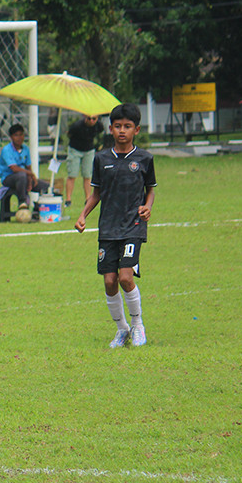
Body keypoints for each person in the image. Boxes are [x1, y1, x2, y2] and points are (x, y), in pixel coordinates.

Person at [74, 103, 156, 348]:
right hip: (108, 228)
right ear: (110, 128)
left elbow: (150, 189)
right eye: (118, 126)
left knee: (124, 277)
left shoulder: (144, 159)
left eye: (127, 126)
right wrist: (83, 214)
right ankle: (122, 330)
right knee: (109, 281)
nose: (122, 131)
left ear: (136, 130)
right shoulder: (101, 159)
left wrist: (148, 206)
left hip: (133, 225)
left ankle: (138, 325)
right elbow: (96, 193)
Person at [0, 123, 49, 222]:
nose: (19, 138)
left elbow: (28, 167)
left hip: (24, 177)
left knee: (45, 186)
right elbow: (14, 168)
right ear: (11, 137)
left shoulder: (25, 149)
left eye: (21, 135)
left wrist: (30, 180)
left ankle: (37, 210)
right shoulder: (7, 150)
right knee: (21, 176)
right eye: (16, 135)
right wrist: (30, 174)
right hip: (9, 178)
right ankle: (22, 202)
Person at [64, 114, 104, 209]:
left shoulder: (99, 125)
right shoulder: (77, 126)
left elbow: (100, 134)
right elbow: (69, 134)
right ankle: (68, 199)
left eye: (94, 119)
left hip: (89, 150)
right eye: (89, 118)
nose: (91, 121)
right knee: (72, 174)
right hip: (75, 149)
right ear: (85, 118)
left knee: (87, 175)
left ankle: (88, 198)